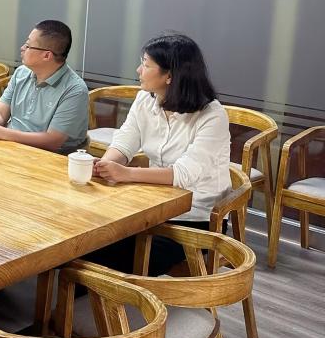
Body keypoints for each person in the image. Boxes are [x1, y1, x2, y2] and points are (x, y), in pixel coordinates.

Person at [87, 33, 231, 276]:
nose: (138, 70)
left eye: (145, 64)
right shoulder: (145, 98)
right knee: (89, 237)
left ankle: (104, 297)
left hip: (194, 218)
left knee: (103, 253)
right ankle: (85, 296)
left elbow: (184, 174)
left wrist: (126, 173)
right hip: (150, 206)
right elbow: (125, 140)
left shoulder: (212, 115)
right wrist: (105, 165)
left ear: (169, 76)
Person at [0, 20, 88, 154]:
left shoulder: (75, 90)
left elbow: (53, 141)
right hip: (9, 147)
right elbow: (0, 112)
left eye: (28, 45)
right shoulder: (21, 73)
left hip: (48, 157)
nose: (22, 48)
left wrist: (0, 132)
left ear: (47, 55)